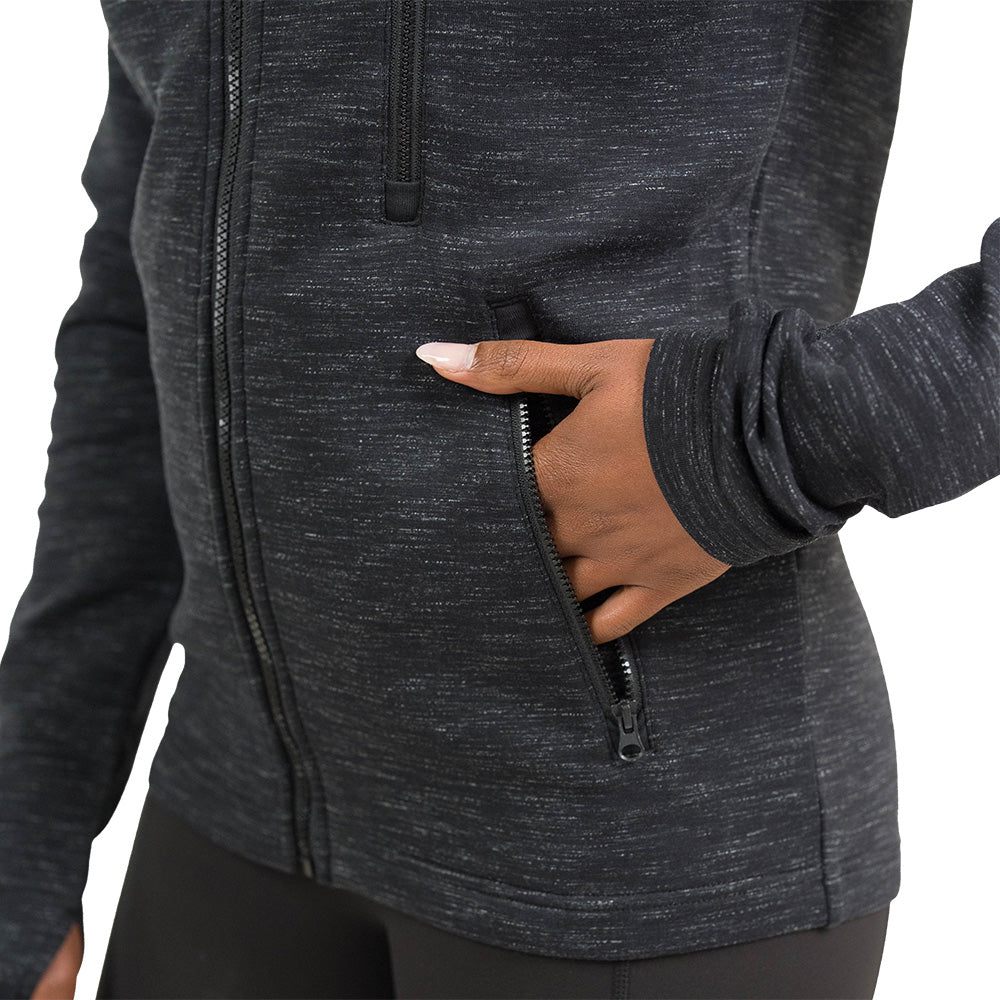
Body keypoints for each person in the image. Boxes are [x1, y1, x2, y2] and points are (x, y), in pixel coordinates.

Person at [1, 1, 997, 997]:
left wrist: (765, 438)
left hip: (627, 835)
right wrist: (29, 811)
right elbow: (149, 281)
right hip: (233, 801)